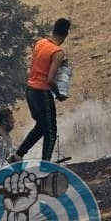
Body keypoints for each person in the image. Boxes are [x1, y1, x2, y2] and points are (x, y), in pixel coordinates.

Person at [7, 18, 70, 163]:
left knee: (41, 126)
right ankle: (46, 164)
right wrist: (59, 94)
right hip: (42, 93)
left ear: (54, 29)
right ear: (66, 34)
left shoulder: (41, 43)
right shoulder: (58, 52)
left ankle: (17, 156)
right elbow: (50, 80)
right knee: (51, 131)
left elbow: (41, 64)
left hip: (30, 90)